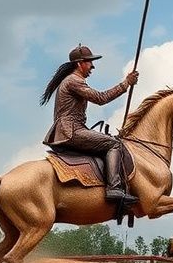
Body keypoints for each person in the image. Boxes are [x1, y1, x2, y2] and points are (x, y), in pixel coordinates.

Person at [41, 44, 139, 207]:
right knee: (114, 144)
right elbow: (101, 98)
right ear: (80, 64)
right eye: (89, 62)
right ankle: (114, 188)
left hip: (72, 129)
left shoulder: (72, 80)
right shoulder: (73, 81)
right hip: (71, 131)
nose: (92, 66)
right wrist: (125, 84)